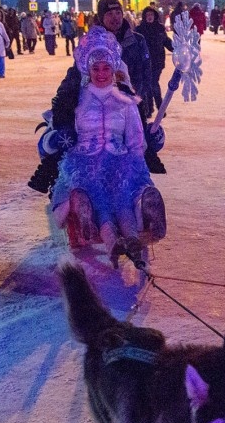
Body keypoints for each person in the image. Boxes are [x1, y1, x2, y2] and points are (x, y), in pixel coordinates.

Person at [28, 0, 162, 194]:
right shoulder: (92, 41)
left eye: (118, 12)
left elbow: (144, 72)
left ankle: (138, 186)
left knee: (137, 143)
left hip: (126, 102)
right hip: (96, 101)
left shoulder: (136, 40)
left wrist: (139, 103)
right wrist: (67, 100)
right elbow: (78, 72)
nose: (115, 17)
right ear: (101, 17)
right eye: (109, 13)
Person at [50, 27, 166, 255]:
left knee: (123, 198)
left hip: (120, 161)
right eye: (96, 68)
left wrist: (137, 166)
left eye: (106, 68)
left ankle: (136, 232)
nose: (101, 73)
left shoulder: (126, 101)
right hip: (85, 163)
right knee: (100, 201)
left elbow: (135, 140)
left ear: (114, 69)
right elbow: (66, 131)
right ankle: (105, 234)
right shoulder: (77, 99)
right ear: (88, 69)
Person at [135, 6, 173, 111]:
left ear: (155, 16)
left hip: (157, 61)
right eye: (147, 15)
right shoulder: (139, 30)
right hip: (144, 62)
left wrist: (176, 48)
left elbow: (166, 41)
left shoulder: (159, 28)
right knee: (148, 84)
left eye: (151, 15)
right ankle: (150, 107)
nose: (149, 17)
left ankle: (160, 107)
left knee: (153, 83)